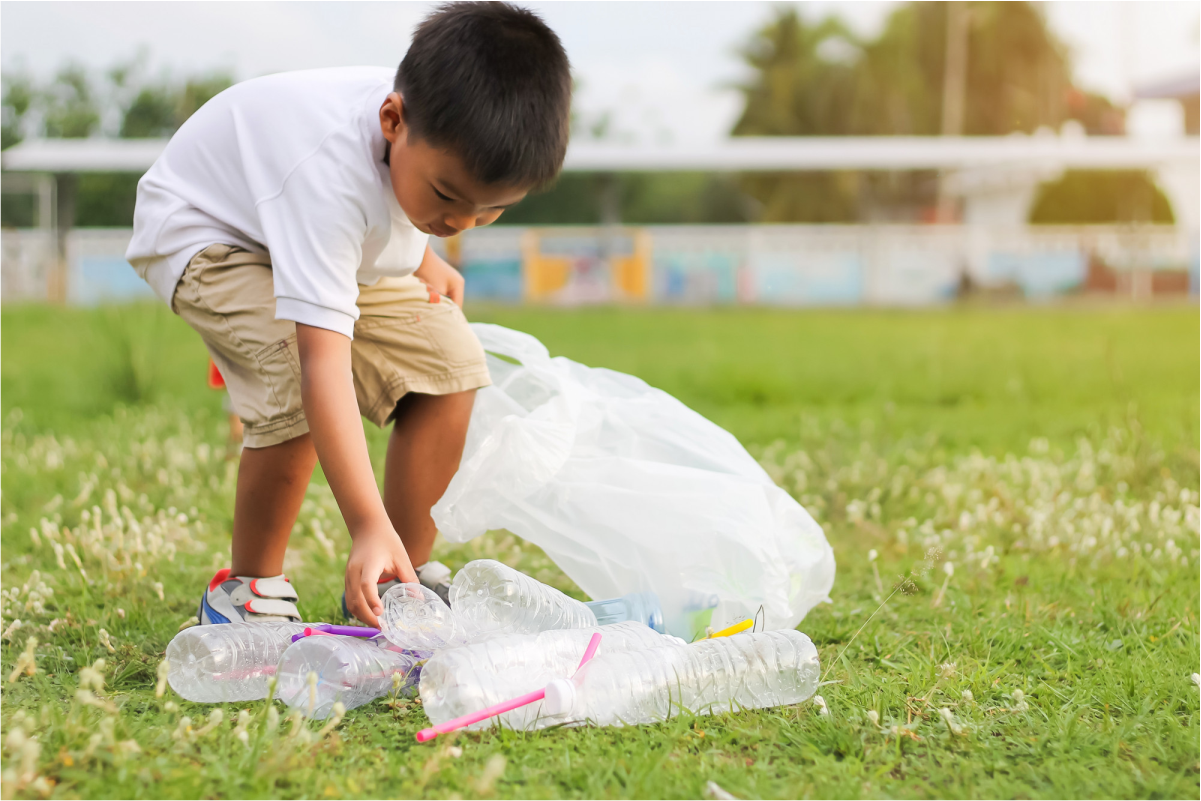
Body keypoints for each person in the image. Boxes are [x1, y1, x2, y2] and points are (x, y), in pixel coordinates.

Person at [125, 2, 572, 627]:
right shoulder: (326, 173)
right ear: (393, 120)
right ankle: (249, 591)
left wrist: (421, 255)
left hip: (297, 229)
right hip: (209, 233)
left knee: (451, 360)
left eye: (489, 210)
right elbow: (322, 366)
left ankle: (397, 578)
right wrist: (365, 521)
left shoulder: (427, 133)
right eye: (447, 198)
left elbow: (391, 196)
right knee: (290, 383)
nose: (460, 223)